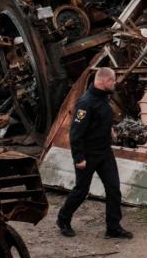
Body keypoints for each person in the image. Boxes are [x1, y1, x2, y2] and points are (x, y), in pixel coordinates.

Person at [56, 67, 133, 239]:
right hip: (88, 154)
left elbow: (100, 120)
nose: (115, 84)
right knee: (81, 191)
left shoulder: (103, 98)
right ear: (104, 81)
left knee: (113, 189)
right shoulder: (85, 103)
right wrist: (79, 158)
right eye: (113, 81)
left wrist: (110, 130)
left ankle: (113, 228)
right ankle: (63, 219)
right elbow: (75, 133)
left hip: (105, 152)